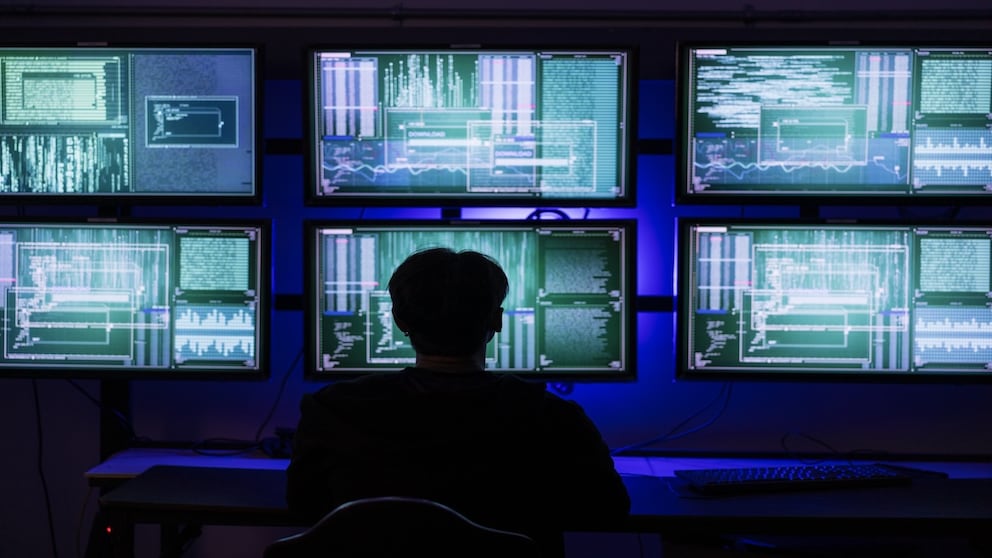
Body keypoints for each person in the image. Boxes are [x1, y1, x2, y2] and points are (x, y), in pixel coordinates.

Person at [286, 247, 630, 556]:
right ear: (496, 320)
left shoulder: (332, 409)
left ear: (399, 321)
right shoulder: (553, 417)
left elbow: (302, 505)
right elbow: (608, 509)